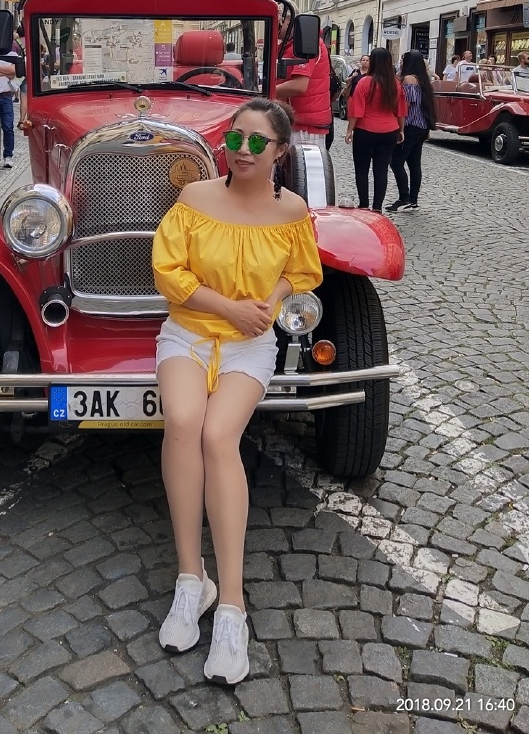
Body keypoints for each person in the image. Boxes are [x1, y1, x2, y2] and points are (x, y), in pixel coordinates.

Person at [152, 98, 322, 685]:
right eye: (234, 138)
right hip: (189, 332)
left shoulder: (292, 209)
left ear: (280, 151)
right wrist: (229, 308)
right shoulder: (195, 197)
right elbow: (169, 273)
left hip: (250, 344)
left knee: (219, 435)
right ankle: (189, 579)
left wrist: (269, 302)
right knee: (181, 421)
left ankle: (232, 606)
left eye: (256, 142)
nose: (241, 151)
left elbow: (302, 270)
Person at [345, 47, 407, 213]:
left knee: (362, 169)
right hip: (389, 130)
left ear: (372, 62)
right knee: (381, 169)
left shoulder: (365, 82)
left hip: (365, 130)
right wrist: (401, 130)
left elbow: (356, 110)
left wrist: (350, 130)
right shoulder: (396, 84)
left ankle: (364, 204)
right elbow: (401, 111)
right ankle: (377, 207)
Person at [275, 10, 333, 150]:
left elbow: (299, 85)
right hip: (296, 120)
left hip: (304, 127)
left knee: (299, 161)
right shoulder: (288, 45)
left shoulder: (307, 44)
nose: (275, 27)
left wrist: (264, 92)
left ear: (288, 21)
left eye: (278, 22)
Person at [387, 51, 437, 213]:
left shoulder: (408, 79)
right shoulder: (424, 80)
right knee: (414, 164)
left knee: (396, 162)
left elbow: (406, 104)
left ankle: (404, 198)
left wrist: (398, 126)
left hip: (410, 125)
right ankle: (413, 199)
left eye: (403, 60)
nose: (401, 63)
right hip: (422, 125)